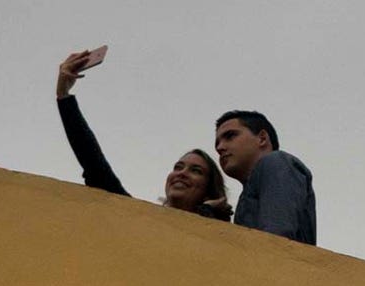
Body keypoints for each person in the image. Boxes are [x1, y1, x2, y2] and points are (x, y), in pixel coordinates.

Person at [56, 50, 232, 220]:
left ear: (209, 192)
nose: (182, 173)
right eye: (178, 167)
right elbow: (94, 164)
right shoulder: (137, 219)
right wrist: (64, 96)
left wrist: (206, 211)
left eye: (196, 171)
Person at [214, 110, 316, 245]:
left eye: (230, 136)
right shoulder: (247, 194)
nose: (220, 148)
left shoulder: (275, 162)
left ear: (262, 138)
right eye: (217, 144)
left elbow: (276, 239)